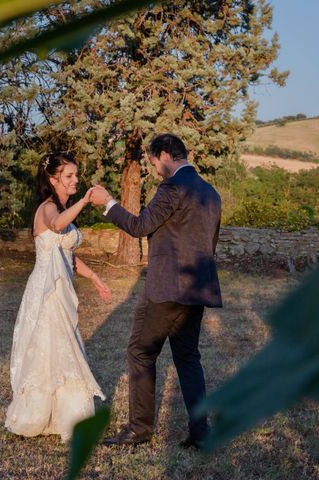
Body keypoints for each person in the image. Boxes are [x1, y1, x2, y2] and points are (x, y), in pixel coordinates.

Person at [89, 133, 222, 449]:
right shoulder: (211, 193)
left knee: (140, 351)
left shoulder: (172, 188)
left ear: (165, 155)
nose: (155, 170)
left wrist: (108, 202)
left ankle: (139, 430)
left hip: (165, 288)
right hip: (197, 289)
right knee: (188, 358)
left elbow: (139, 226)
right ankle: (201, 434)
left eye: (153, 163)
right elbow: (209, 243)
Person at [5, 152, 111, 443]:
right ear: (54, 179)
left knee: (66, 347)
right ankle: (34, 414)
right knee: (49, 347)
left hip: (63, 288)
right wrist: (86, 201)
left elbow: (68, 255)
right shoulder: (48, 208)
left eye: (76, 175)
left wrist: (95, 278)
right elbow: (56, 226)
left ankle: (68, 416)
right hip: (46, 291)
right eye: (69, 176)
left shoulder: (62, 207)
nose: (76, 179)